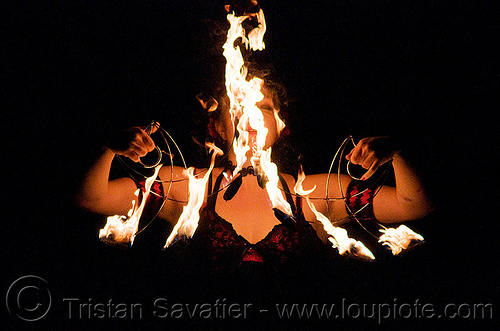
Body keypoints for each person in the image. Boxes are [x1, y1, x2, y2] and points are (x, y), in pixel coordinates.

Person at [77, 81, 433, 278]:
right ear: (216, 126)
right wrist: (110, 147)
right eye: (238, 106)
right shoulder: (185, 186)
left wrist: (397, 152)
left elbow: (414, 205)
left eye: (264, 109)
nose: (250, 116)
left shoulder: (312, 193)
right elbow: (91, 199)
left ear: (282, 126)